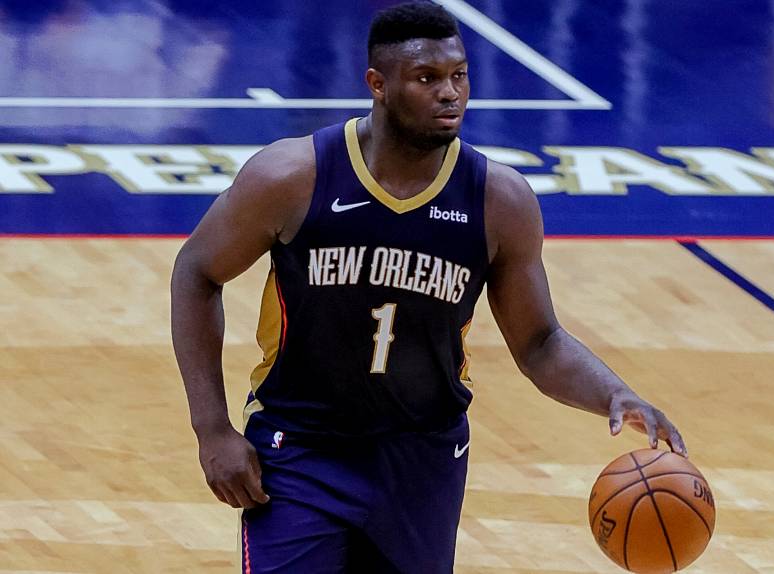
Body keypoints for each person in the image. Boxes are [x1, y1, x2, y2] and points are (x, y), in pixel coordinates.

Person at [170, 2, 687, 572]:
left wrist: (614, 393)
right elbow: (197, 273)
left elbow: (539, 342)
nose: (450, 93)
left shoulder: (499, 201)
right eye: (427, 78)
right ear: (378, 85)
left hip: (424, 459)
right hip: (301, 449)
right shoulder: (291, 178)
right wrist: (212, 428)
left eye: (459, 75)